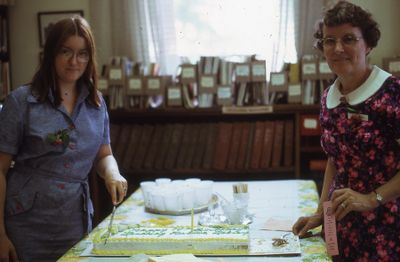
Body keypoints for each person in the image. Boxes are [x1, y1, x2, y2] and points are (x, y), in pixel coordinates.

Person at [0, 16, 128, 261]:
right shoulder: (21, 101)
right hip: (25, 224)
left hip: (73, 221)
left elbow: (104, 154)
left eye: (82, 54)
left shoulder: (96, 103)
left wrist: (112, 172)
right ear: (50, 54)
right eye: (66, 51)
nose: (74, 62)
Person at [292, 1, 400, 261]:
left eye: (349, 39)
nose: (338, 48)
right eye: (330, 40)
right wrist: (321, 212)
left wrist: (371, 199)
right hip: (341, 228)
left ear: (369, 44)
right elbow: (335, 159)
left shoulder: (392, 93)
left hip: (387, 229)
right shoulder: (329, 96)